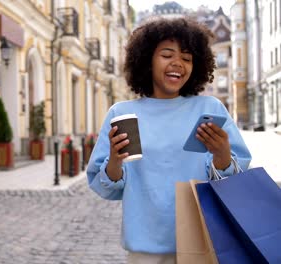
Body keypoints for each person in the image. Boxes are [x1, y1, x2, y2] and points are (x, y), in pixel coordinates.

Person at [86, 17, 252, 263]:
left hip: (204, 242)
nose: (178, 63)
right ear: (147, 59)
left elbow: (232, 180)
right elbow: (106, 186)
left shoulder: (209, 108)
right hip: (145, 250)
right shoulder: (122, 114)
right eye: (167, 55)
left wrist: (222, 153)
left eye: (187, 58)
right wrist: (114, 161)